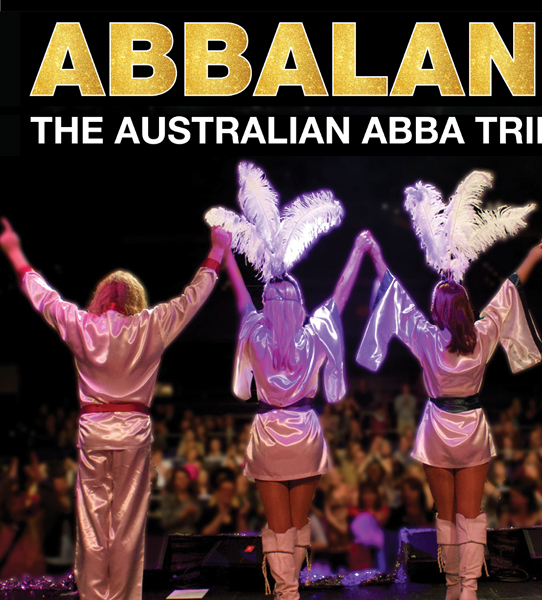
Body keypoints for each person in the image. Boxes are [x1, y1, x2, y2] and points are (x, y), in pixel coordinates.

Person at [0, 216, 230, 600]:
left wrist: (14, 253)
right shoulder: (150, 325)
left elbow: (44, 297)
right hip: (133, 432)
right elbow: (193, 298)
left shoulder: (83, 325)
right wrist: (217, 251)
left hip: (94, 432)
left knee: (93, 524)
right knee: (127, 526)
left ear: (101, 297)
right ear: (134, 300)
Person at [356, 171, 542, 600]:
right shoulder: (482, 334)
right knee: (470, 514)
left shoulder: (427, 338)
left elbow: (395, 295)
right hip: (471, 427)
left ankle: (455, 585)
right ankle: (469, 588)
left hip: (439, 428)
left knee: (446, 515)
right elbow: (510, 290)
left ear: (440, 309)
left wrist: (376, 255)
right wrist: (534, 255)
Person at [210, 161, 375, 599]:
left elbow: (241, 293)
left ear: (267, 305)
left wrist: (225, 253)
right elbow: (340, 296)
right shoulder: (315, 334)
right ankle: (292, 586)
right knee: (299, 523)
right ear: (298, 304)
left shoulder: (255, 332)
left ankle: (285, 592)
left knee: (277, 524)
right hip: (304, 431)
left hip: (268, 432)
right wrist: (357, 253)